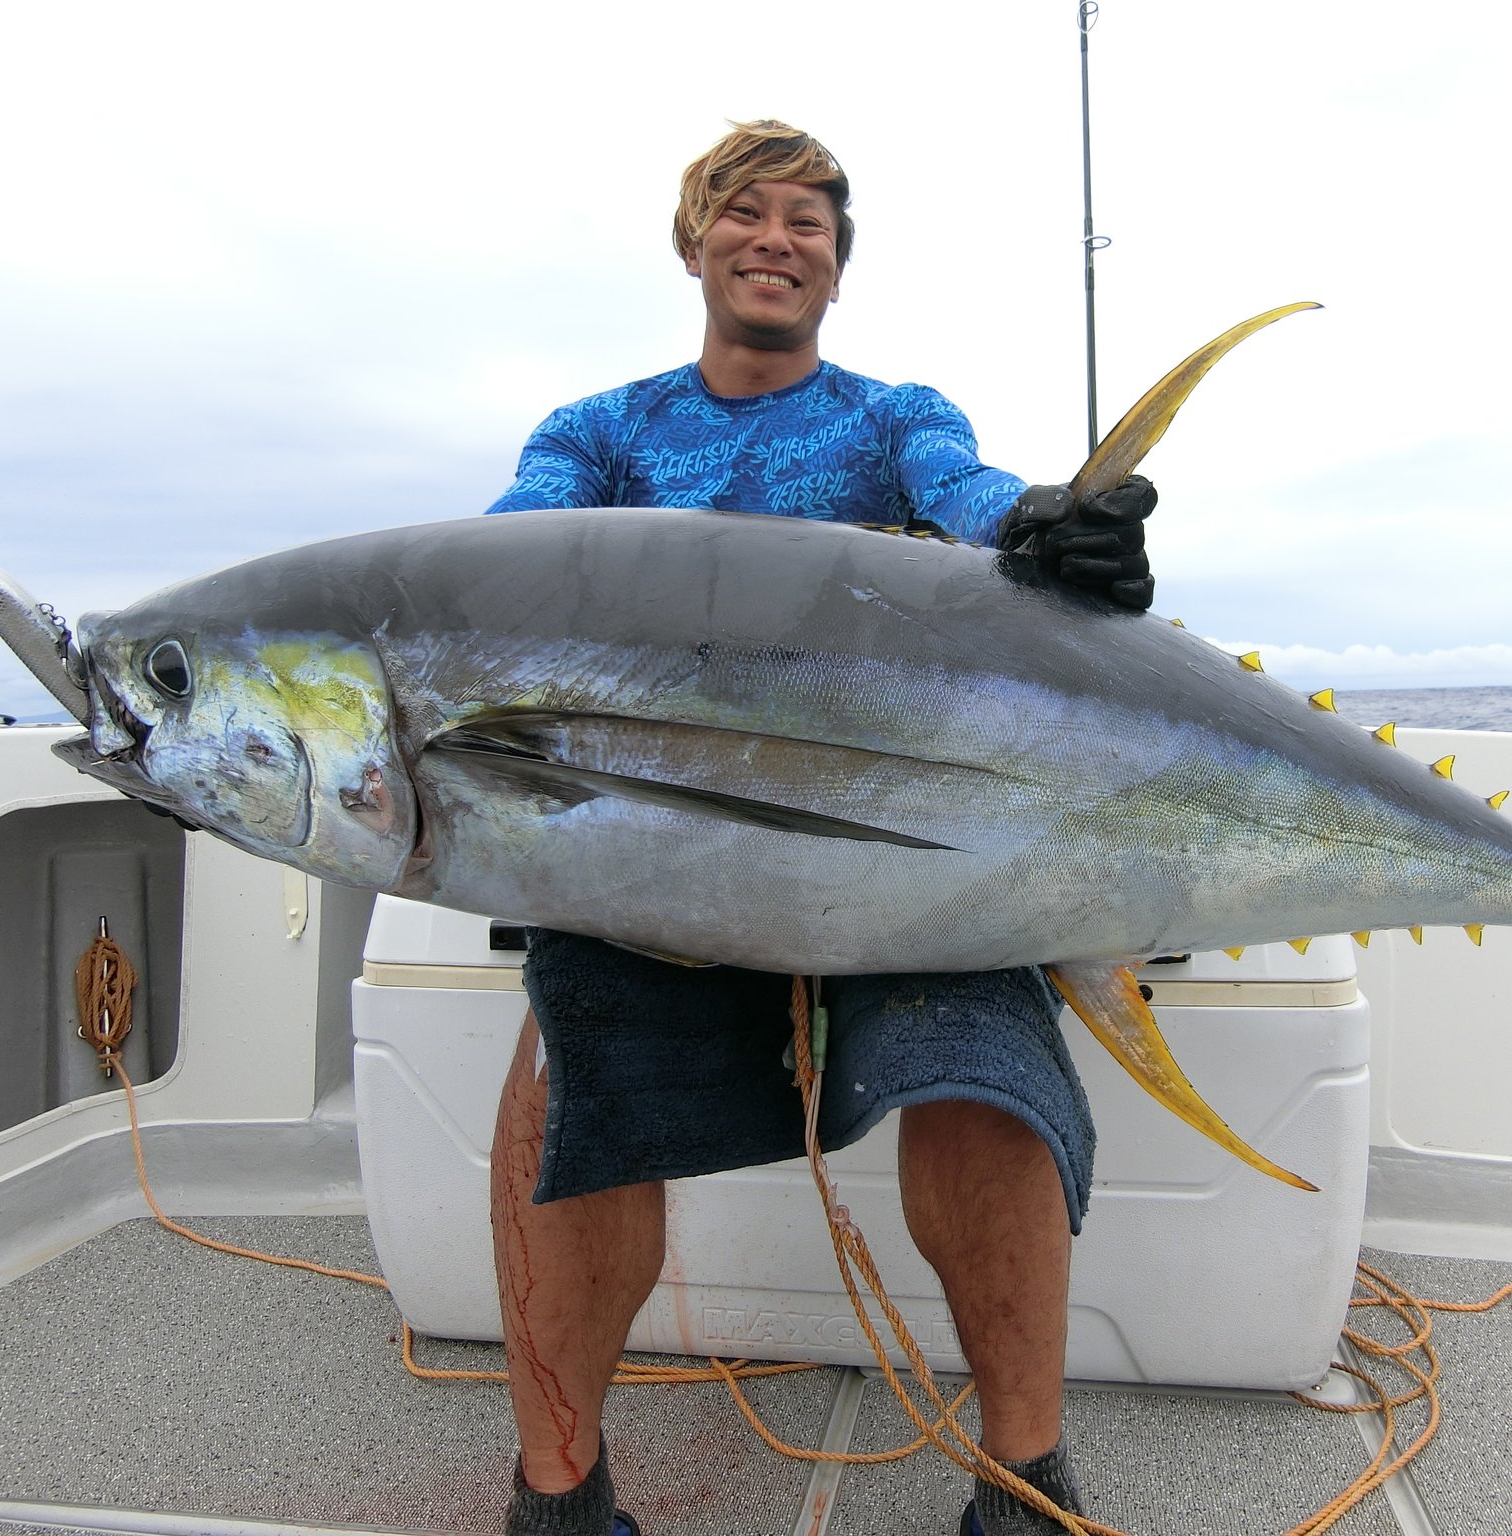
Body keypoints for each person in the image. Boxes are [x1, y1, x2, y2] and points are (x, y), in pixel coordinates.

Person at [482, 120, 1156, 1536]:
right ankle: (558, 1491)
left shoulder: (889, 415)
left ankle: (1025, 1484)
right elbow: (515, 549)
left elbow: (963, 497)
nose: (776, 240)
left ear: (837, 272)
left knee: (987, 1071)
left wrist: (1038, 524)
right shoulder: (598, 432)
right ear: (695, 243)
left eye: (809, 223)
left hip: (884, 840)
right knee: (557, 1088)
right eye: (747, 214)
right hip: (656, 848)